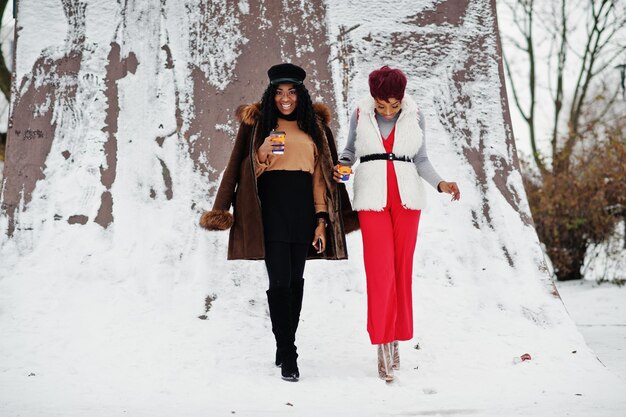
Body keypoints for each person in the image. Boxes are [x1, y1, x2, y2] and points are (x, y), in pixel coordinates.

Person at [200, 63, 355, 382]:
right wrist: (260, 153)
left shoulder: (315, 127)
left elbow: (320, 178)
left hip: (303, 211)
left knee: (296, 282)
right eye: (280, 92)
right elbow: (236, 171)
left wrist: (322, 220)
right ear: (271, 94)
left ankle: (284, 344)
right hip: (268, 210)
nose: (286, 98)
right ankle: (289, 354)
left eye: (292, 91)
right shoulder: (257, 125)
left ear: (301, 94)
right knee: (279, 281)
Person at [335, 65, 460, 382]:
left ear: (403, 98)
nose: (388, 110)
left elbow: (421, 160)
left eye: (394, 104)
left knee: (401, 270)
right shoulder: (360, 114)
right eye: (382, 104)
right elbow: (349, 151)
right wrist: (343, 167)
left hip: (407, 201)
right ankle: (381, 343)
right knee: (380, 272)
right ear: (373, 98)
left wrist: (441, 184)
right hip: (372, 198)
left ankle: (395, 338)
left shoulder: (415, 116)